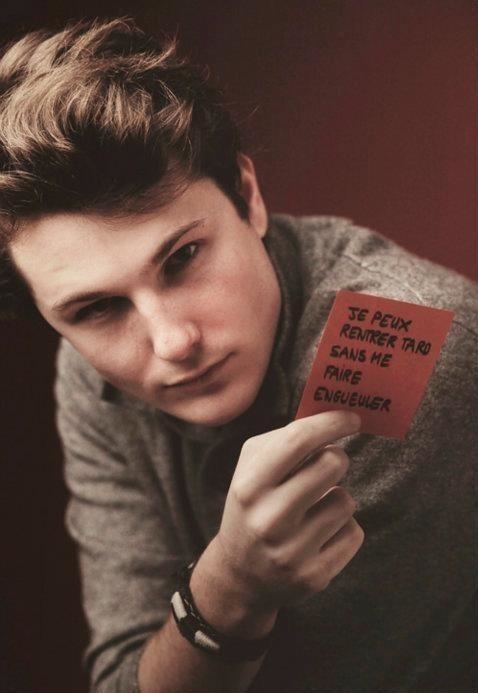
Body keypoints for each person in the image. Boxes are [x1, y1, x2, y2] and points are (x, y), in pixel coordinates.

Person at [0, 17, 476, 693]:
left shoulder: (408, 347)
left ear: (248, 197)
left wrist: (219, 603)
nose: (173, 342)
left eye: (183, 257)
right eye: (98, 309)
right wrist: (230, 587)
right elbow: (120, 675)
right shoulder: (89, 371)